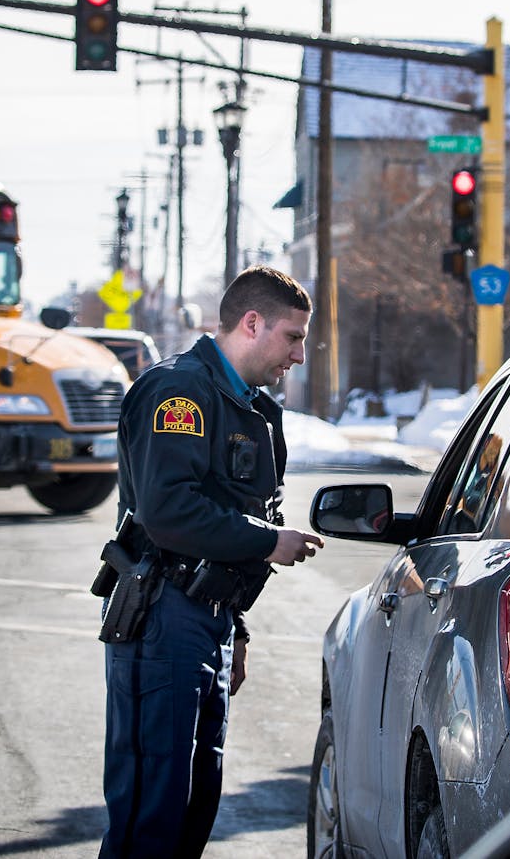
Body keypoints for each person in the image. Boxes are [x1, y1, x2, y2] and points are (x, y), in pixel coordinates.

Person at [99, 264, 324, 859]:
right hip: (163, 622)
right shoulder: (180, 392)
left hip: (210, 624)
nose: (299, 355)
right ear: (252, 324)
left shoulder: (248, 406)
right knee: (152, 819)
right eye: (293, 337)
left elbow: (234, 510)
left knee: (193, 810)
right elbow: (168, 512)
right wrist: (266, 543)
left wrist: (238, 628)